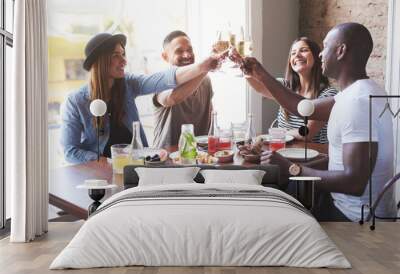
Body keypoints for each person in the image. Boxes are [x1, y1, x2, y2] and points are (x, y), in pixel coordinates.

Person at [237, 22, 396, 222]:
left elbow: (355, 183)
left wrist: (293, 169)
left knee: (267, 207)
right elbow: (300, 107)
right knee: (271, 190)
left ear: (341, 51)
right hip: (349, 207)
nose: (321, 54)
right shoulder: (359, 93)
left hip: (352, 217)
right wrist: (258, 72)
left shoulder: (357, 103)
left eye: (326, 46)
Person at [61, 32, 225, 164]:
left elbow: (162, 78)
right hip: (99, 173)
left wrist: (203, 66)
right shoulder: (75, 101)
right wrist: (106, 161)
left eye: (123, 54)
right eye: (116, 55)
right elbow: (70, 151)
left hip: (138, 167)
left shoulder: (129, 84)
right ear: (100, 61)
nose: (124, 60)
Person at [152, 31, 213, 148]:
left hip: (200, 156)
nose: (187, 55)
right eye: (179, 51)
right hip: (166, 159)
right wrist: (205, 68)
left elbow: (210, 115)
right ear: (165, 57)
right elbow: (171, 99)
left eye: (189, 50)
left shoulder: (205, 80)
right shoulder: (160, 79)